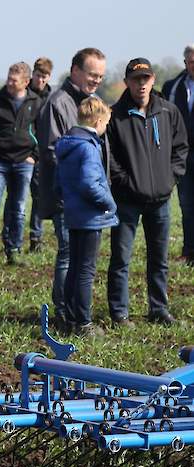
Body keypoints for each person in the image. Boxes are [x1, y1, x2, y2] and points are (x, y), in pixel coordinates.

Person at [106, 58, 189, 326]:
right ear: (127, 81)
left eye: (146, 79)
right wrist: (125, 183)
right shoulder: (115, 115)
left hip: (161, 200)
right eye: (136, 79)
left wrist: (170, 179)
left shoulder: (168, 111)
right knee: (121, 258)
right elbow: (111, 158)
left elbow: (180, 149)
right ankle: (119, 313)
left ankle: (158, 308)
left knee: (159, 258)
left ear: (152, 80)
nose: (141, 84)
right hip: (127, 201)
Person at [35, 48, 107, 331]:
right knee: (68, 254)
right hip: (68, 198)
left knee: (79, 257)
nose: (96, 80)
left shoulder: (94, 102)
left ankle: (75, 310)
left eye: (100, 76)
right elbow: (53, 151)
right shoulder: (58, 103)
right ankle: (65, 313)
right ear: (75, 70)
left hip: (87, 199)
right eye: (92, 74)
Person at [55, 97, 117, 336]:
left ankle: (69, 318)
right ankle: (84, 323)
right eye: (106, 123)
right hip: (91, 216)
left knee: (75, 266)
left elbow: (57, 183)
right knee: (86, 270)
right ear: (99, 121)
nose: (106, 128)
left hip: (73, 213)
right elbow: (90, 183)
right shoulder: (89, 147)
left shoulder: (67, 143)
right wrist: (109, 202)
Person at [0, 62, 43, 266]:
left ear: (26, 81)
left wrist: (35, 155)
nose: (10, 83)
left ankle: (14, 250)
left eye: (14, 80)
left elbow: (42, 130)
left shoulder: (36, 102)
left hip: (25, 161)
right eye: (9, 78)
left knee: (19, 209)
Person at [162, 44, 194, 265]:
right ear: (185, 63)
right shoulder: (172, 87)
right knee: (187, 205)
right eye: (192, 62)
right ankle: (189, 251)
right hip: (183, 155)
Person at [27, 57, 54, 253]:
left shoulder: (51, 97)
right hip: (25, 152)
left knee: (39, 197)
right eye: (38, 76)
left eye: (44, 77)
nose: (41, 80)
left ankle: (36, 236)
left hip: (43, 152)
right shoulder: (24, 94)